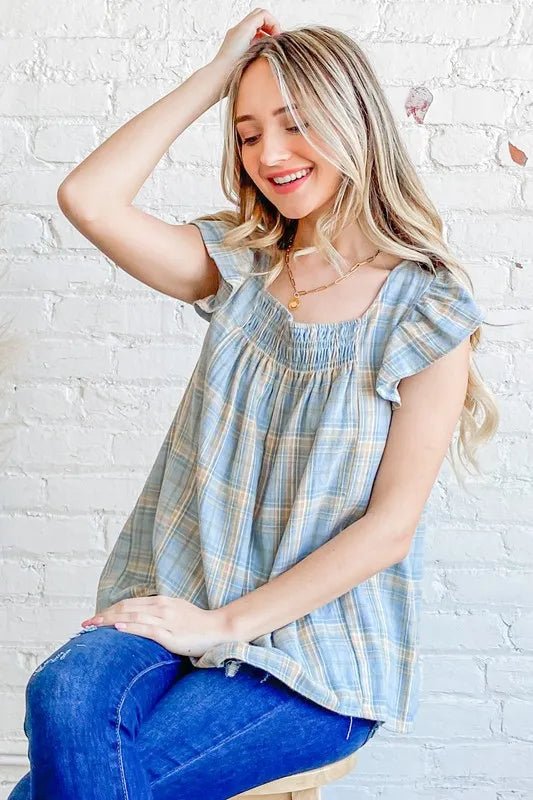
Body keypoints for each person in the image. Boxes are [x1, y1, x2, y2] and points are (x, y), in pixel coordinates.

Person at [9, 9, 499, 800]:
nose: (269, 155)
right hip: (176, 606)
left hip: (314, 655)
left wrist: (224, 626)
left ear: (355, 123)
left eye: (296, 124)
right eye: (246, 133)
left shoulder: (425, 312)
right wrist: (216, 75)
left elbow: (389, 529)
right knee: (62, 694)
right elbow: (88, 198)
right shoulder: (241, 266)